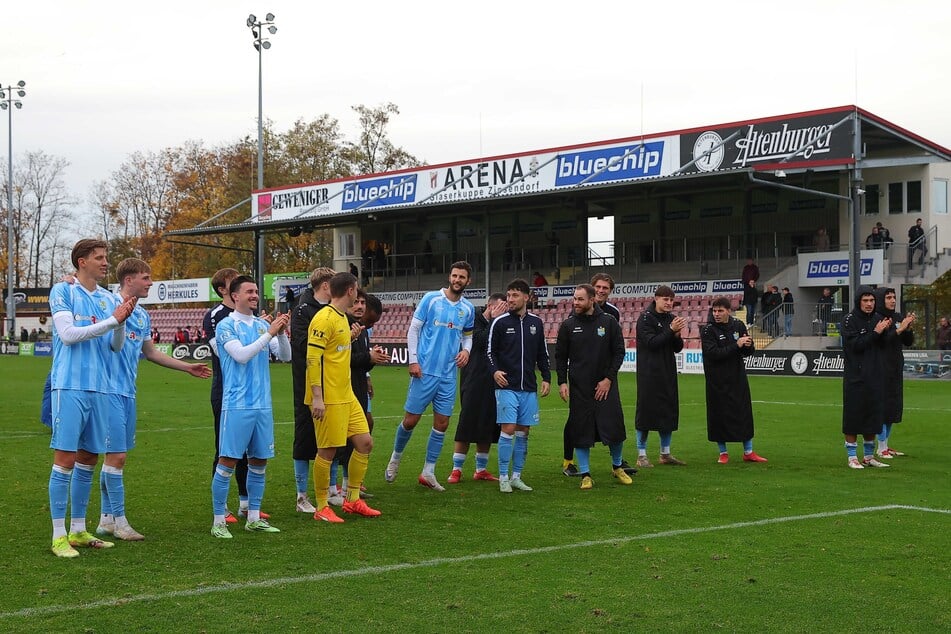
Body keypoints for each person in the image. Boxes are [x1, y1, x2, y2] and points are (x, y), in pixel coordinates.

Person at [96, 258, 211, 541]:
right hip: (105, 390)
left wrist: (187, 367)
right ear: (128, 280)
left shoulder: (143, 315)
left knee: (114, 456)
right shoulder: (105, 303)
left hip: (127, 392)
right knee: (117, 456)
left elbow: (151, 353)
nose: (150, 283)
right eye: (146, 278)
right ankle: (120, 522)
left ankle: (105, 520)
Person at [47, 238, 137, 558]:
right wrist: (113, 319)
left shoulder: (106, 297)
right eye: (99, 258)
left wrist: (120, 322)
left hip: (100, 388)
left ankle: (79, 530)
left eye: (105, 257)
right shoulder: (63, 291)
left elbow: (115, 346)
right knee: (66, 460)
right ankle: (59, 536)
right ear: (81, 261)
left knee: (88, 458)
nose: (105, 262)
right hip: (70, 386)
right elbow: (68, 335)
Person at [384, 261, 476, 491]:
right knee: (411, 420)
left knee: (442, 423)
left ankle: (428, 471)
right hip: (424, 371)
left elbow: (468, 336)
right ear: (449, 276)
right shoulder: (431, 299)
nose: (457, 280)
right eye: (454, 275)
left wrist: (466, 350)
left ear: (468, 281)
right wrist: (413, 360)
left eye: (461, 277)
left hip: (448, 375)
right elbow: (413, 329)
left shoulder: (468, 308)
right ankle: (395, 458)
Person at [211, 276, 290, 538]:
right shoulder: (225, 326)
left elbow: (285, 356)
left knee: (259, 461)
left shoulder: (260, 325)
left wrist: (280, 333)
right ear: (235, 296)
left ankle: (253, 517)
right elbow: (241, 356)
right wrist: (269, 333)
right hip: (237, 405)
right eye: (249, 292)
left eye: (256, 291)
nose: (255, 295)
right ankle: (219, 521)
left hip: (262, 405)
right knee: (228, 461)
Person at [306, 272, 382, 522]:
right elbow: (312, 359)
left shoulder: (342, 319)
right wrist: (317, 397)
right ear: (350, 291)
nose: (358, 297)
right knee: (327, 451)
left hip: (346, 395)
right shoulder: (323, 318)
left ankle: (352, 500)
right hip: (328, 397)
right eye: (356, 291)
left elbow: (334, 350)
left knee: (365, 443)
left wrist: (349, 338)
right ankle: (321, 507)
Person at [556, 284, 630, 490]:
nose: (575, 303)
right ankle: (585, 474)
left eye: (580, 299)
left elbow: (619, 352)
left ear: (592, 300)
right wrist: (562, 381)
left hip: (606, 386)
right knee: (581, 430)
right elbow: (560, 357)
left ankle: (617, 467)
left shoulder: (609, 322)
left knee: (614, 428)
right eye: (574, 299)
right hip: (580, 388)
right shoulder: (568, 325)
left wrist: (608, 379)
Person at [487, 278, 551, 492]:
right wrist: (495, 370)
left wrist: (546, 378)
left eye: (515, 295)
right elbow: (490, 352)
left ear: (526, 297)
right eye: (508, 295)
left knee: (524, 431)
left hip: (529, 387)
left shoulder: (536, 323)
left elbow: (542, 354)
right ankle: (503, 476)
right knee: (508, 429)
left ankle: (517, 476)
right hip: (507, 386)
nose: (510, 299)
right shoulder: (500, 322)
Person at [327, 289, 388, 504]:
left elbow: (359, 361)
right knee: (337, 440)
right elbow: (341, 358)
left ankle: (348, 487)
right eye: (357, 302)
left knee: (358, 440)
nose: (360, 306)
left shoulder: (360, 329)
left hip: (358, 387)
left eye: (363, 302)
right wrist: (367, 357)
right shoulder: (341, 324)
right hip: (342, 389)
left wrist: (372, 359)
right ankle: (331, 490)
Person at [448, 293, 508, 484]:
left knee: (489, 423)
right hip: (473, 377)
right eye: (499, 308)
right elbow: (480, 341)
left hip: (494, 379)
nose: (502, 312)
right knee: (467, 421)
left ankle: (481, 469)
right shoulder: (474, 319)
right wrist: (493, 320)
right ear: (489, 306)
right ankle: (456, 469)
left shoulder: (502, 324)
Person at [700, 297, 767, 464]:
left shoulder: (738, 325)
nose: (716, 314)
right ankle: (723, 453)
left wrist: (748, 345)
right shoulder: (708, 330)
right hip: (717, 380)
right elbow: (713, 354)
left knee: (743, 413)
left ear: (728, 311)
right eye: (714, 311)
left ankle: (748, 451)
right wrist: (736, 345)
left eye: (720, 311)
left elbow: (747, 352)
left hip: (737, 377)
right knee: (719, 415)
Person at [290, 267, 335, 514]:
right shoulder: (302, 310)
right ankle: (301, 496)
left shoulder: (332, 310)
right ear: (326, 285)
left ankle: (330, 490)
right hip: (306, 383)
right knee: (305, 435)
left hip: (331, 382)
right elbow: (303, 345)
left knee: (331, 435)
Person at [634, 285, 687, 467]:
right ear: (656, 298)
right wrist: (671, 331)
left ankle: (665, 454)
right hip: (649, 373)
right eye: (665, 299)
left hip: (667, 372)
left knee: (668, 412)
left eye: (671, 300)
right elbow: (652, 343)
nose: (669, 303)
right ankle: (641, 456)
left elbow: (677, 348)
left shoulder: (671, 319)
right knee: (646, 414)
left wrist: (677, 336)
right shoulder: (645, 319)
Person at [840, 286, 891, 469]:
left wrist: (886, 331)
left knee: (873, 416)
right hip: (856, 377)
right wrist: (876, 332)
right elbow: (855, 346)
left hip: (875, 375)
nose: (869, 304)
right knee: (853, 416)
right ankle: (852, 457)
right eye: (865, 301)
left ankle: (869, 456)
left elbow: (884, 345)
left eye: (872, 301)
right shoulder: (849, 320)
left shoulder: (878, 318)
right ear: (858, 301)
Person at [872, 287, 915, 459]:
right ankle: (880, 447)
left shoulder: (897, 317)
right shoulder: (876, 318)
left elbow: (908, 342)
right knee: (882, 406)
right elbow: (881, 342)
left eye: (894, 297)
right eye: (888, 297)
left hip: (895, 366)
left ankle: (886, 445)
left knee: (893, 406)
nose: (892, 300)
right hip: (880, 367)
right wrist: (898, 329)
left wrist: (908, 327)